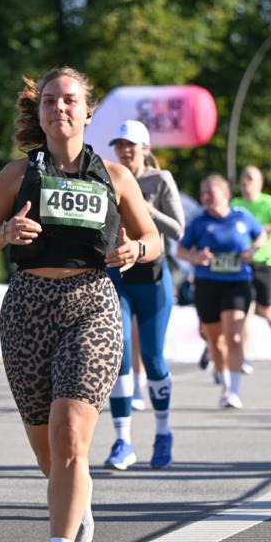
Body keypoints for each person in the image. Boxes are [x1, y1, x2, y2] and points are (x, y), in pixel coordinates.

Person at [0, 68, 159, 542]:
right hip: (27, 308)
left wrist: (135, 250)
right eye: (50, 101)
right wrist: (4, 232)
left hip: (91, 306)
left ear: (88, 111)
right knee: (48, 453)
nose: (60, 109)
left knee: (70, 437)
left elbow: (153, 238)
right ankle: (77, 501)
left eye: (70, 100)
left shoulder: (115, 176)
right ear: (41, 110)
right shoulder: (16, 175)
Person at [104, 120, 185, 470]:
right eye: (120, 145)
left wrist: (145, 209)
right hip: (117, 275)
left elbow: (179, 229)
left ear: (145, 148)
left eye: (131, 146)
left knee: (152, 358)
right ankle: (122, 441)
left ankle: (163, 432)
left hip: (152, 277)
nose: (124, 151)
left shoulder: (160, 180)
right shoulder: (107, 177)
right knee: (119, 350)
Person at [177, 174, 265, 409]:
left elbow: (261, 235)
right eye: (203, 192)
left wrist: (252, 250)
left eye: (210, 192)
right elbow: (180, 251)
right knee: (215, 341)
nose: (205, 197)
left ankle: (233, 391)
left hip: (237, 283)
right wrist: (195, 257)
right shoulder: (199, 222)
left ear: (225, 194)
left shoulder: (242, 216)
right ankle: (225, 383)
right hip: (207, 284)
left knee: (233, 336)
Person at [231, 165, 271, 370]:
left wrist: (262, 228)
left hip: (266, 263)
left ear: (260, 183)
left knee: (267, 309)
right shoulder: (236, 205)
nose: (246, 184)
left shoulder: (269, 203)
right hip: (243, 264)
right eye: (244, 179)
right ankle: (244, 356)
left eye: (251, 179)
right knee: (245, 310)